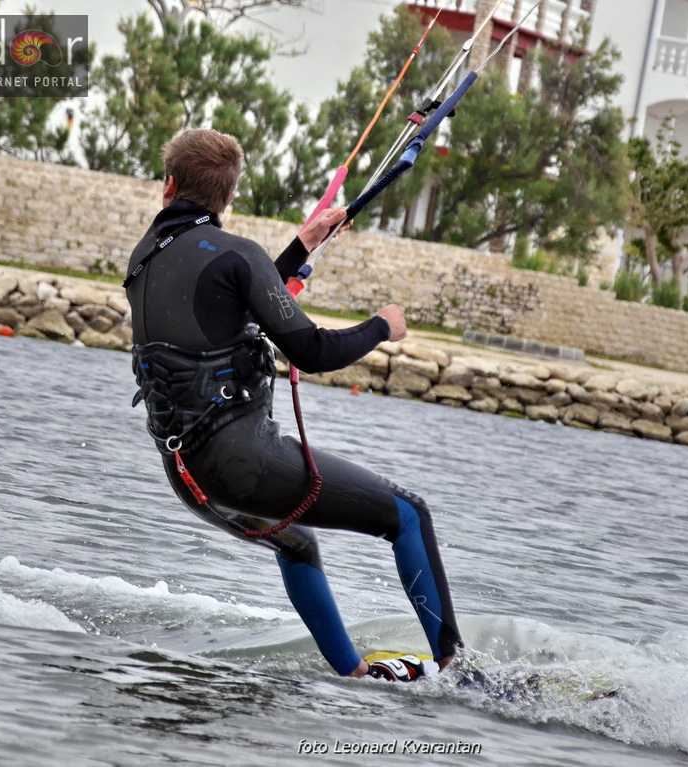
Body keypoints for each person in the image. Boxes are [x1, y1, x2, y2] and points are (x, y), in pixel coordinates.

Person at [124, 129, 462, 681]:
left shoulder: (146, 256)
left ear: (169, 186)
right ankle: (461, 670)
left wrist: (303, 245)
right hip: (242, 464)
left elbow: (222, 303)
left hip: (187, 477)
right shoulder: (240, 255)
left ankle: (353, 676)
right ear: (230, 197)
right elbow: (312, 350)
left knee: (298, 542)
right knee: (408, 515)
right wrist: (383, 326)